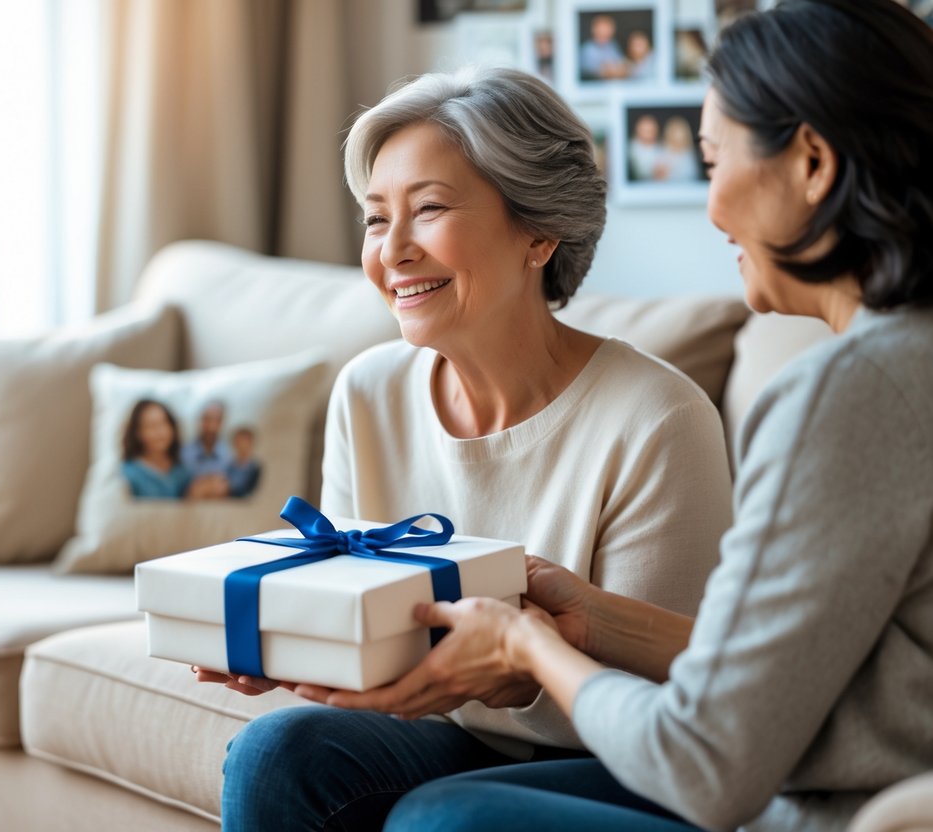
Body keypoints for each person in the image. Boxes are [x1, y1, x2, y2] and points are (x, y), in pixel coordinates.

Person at [290, 1, 933, 829]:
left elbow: (703, 759)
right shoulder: (896, 368)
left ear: (810, 162)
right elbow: (786, 674)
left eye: (711, 161)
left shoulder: (846, 395)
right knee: (298, 757)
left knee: (445, 820)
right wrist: (586, 615)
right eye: (378, 216)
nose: (709, 210)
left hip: (823, 806)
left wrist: (530, 647)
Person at [208, 65, 736, 830]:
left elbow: (666, 701)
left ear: (538, 232)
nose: (391, 251)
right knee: (275, 751)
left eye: (427, 210)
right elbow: (367, 616)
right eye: (374, 218)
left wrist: (516, 670)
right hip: (445, 740)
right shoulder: (368, 392)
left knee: (438, 816)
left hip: (618, 761)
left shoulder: (655, 415)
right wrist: (284, 642)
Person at [120, 399, 191, 499]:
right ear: (137, 433)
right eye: (151, 426)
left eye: (164, 423)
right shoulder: (128, 474)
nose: (160, 432)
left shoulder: (182, 470)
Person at [181, 399, 231, 498]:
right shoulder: (183, 453)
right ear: (200, 420)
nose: (211, 426)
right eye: (207, 419)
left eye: (216, 420)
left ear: (222, 422)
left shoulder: (230, 454)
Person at [579, 14, 627, 80]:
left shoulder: (613, 46)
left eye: (607, 30)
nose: (604, 33)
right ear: (594, 30)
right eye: (601, 30)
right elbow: (600, 73)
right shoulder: (587, 50)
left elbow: (623, 67)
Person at [656, 116, 700, 182]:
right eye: (675, 131)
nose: (678, 135)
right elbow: (658, 178)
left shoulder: (690, 153)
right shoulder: (662, 152)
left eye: (680, 131)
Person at [225, 427, 262, 498]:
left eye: (244, 442)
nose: (242, 445)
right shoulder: (229, 466)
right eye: (238, 442)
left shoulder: (255, 468)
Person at [628, 113, 662, 181]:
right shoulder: (629, 150)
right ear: (637, 130)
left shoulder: (662, 149)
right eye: (645, 130)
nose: (648, 133)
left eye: (650, 130)